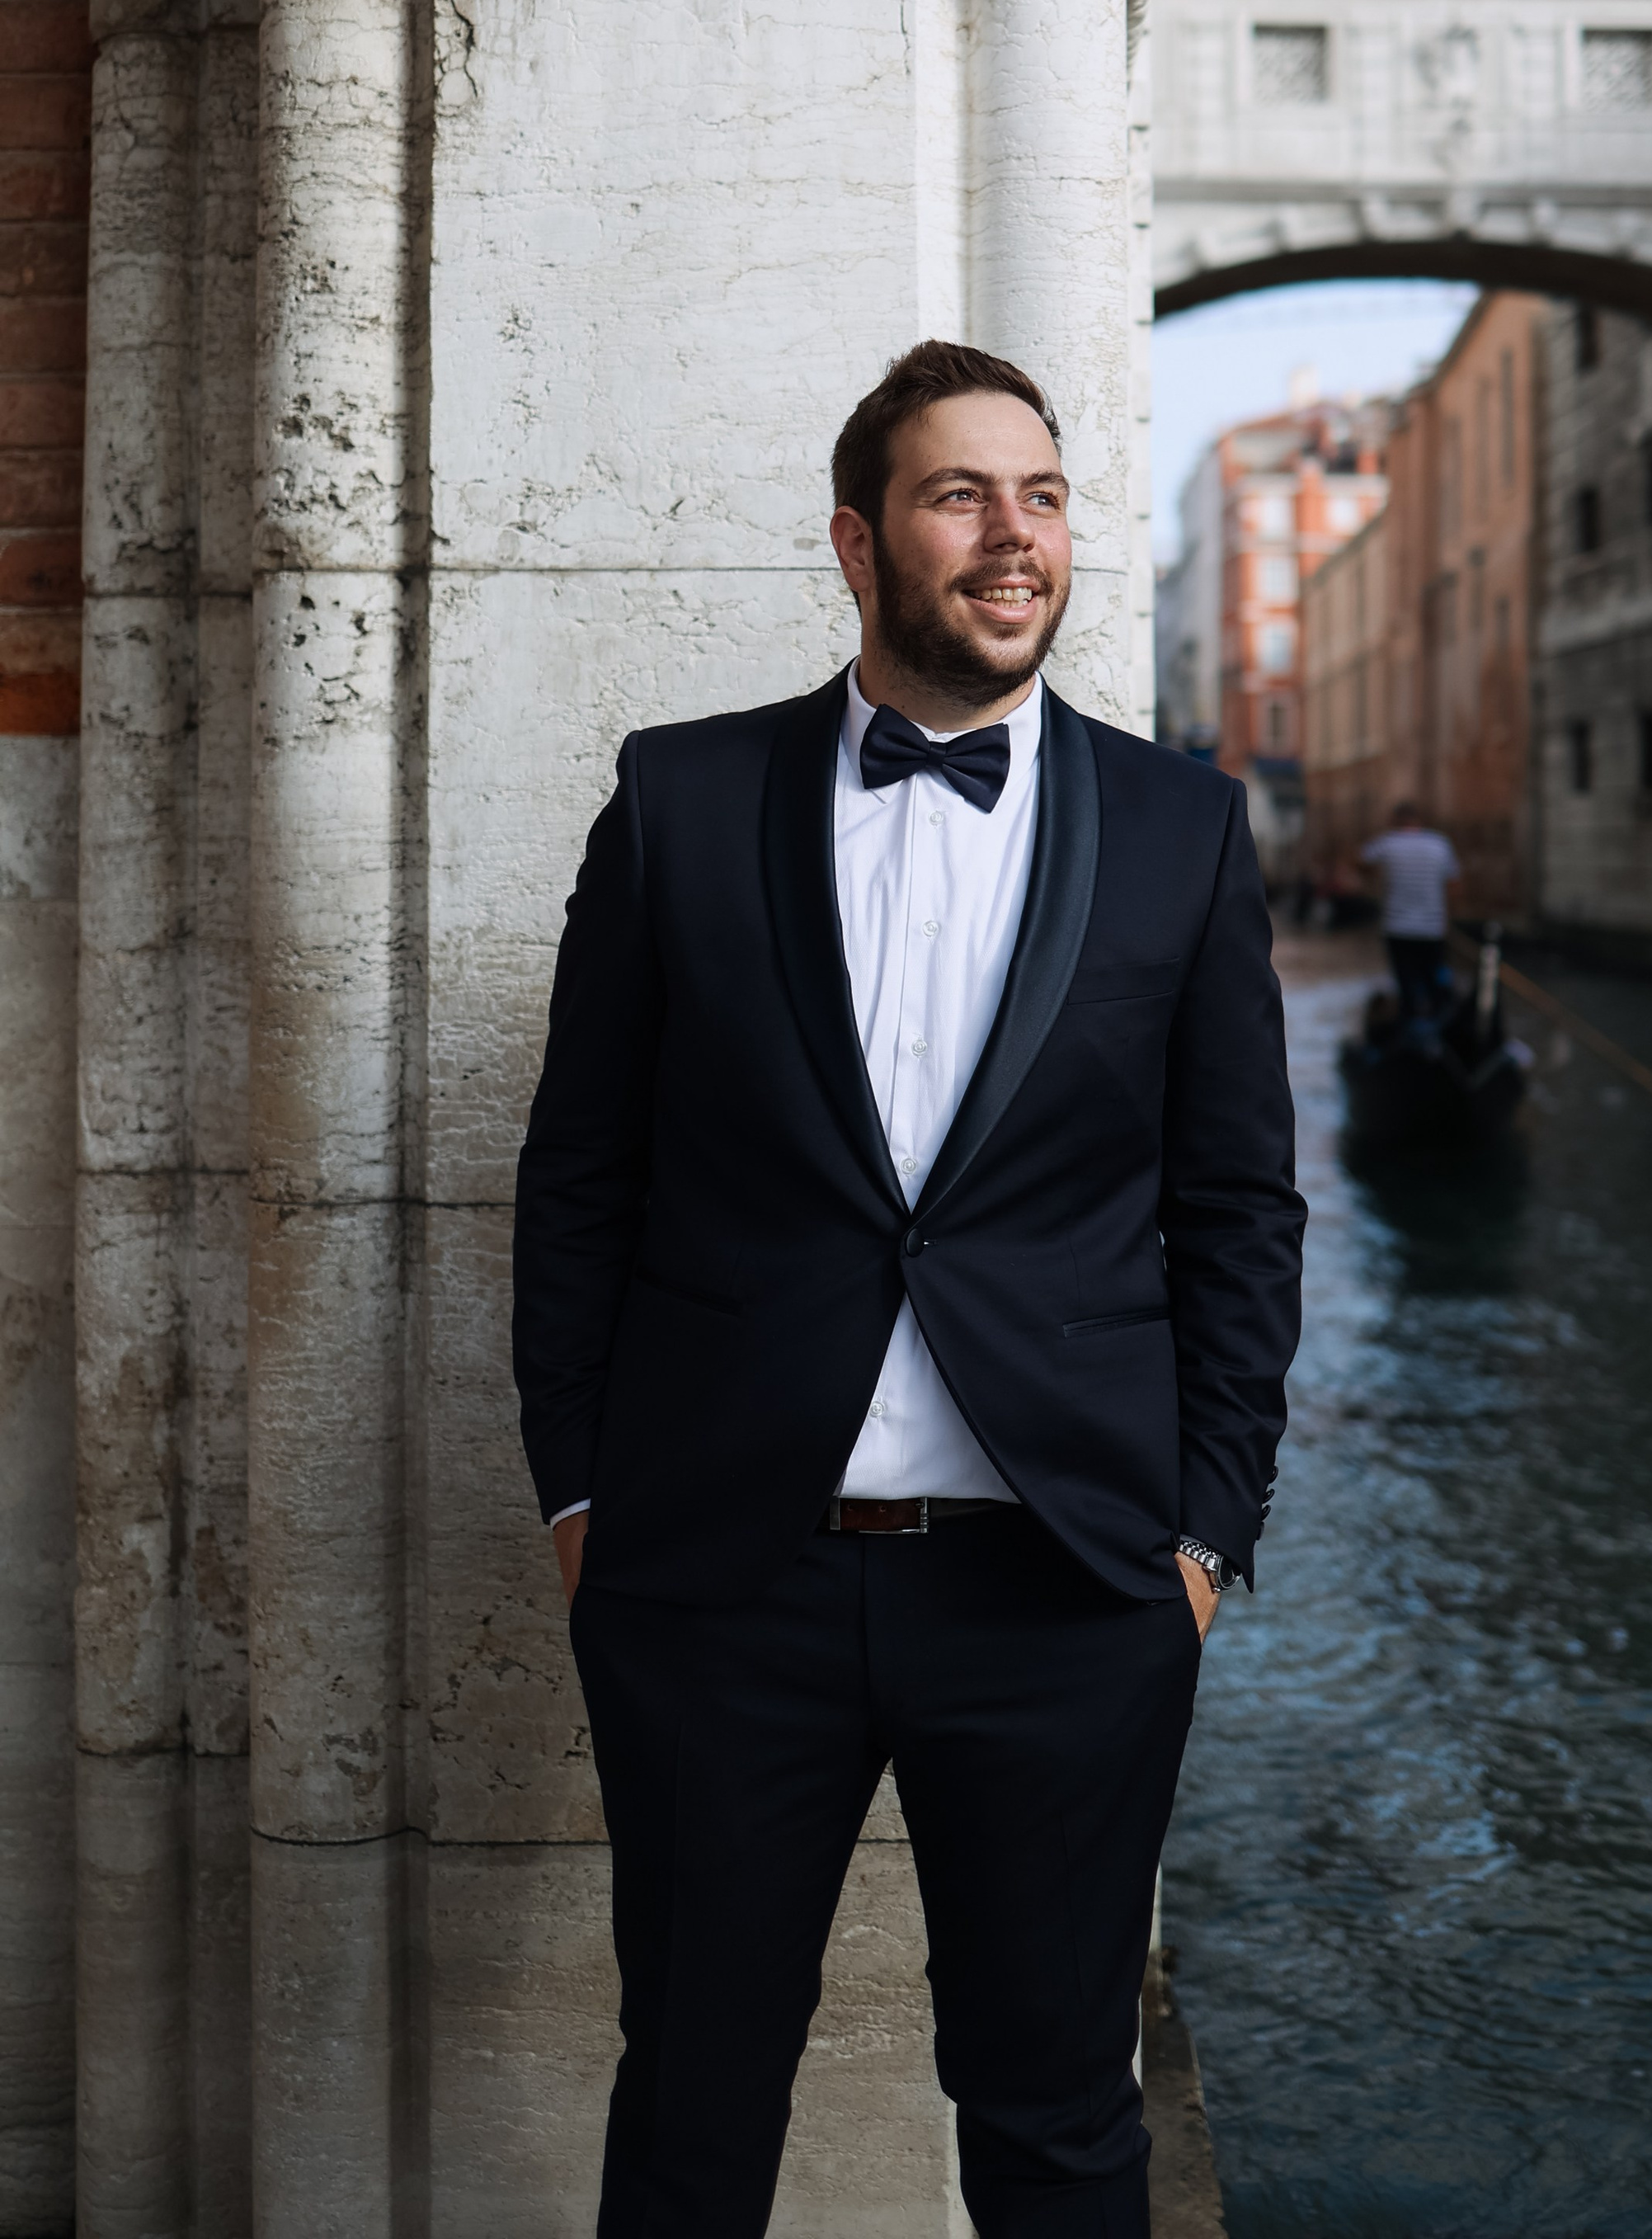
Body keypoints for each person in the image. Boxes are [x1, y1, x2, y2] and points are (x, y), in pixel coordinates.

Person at [513, 338, 1305, 2239]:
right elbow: (577, 1181)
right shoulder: (682, 801)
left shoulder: (1183, 830)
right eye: (961, 495)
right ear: (858, 543)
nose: (1012, 537)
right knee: (694, 2092)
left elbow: (1238, 1211)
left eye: (1040, 495)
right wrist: (581, 1497)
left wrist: (1201, 1532)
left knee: (1055, 2119)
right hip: (720, 1579)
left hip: (1066, 1579)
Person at [1361, 799, 1460, 1019]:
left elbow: (1362, 863)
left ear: (1395, 820)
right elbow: (1453, 885)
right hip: (1433, 928)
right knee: (1433, 981)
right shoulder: (1440, 843)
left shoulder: (1387, 843)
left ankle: (1412, 1023)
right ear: (1419, 820)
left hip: (1398, 928)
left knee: (1406, 983)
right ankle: (1435, 1024)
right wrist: (1447, 919)